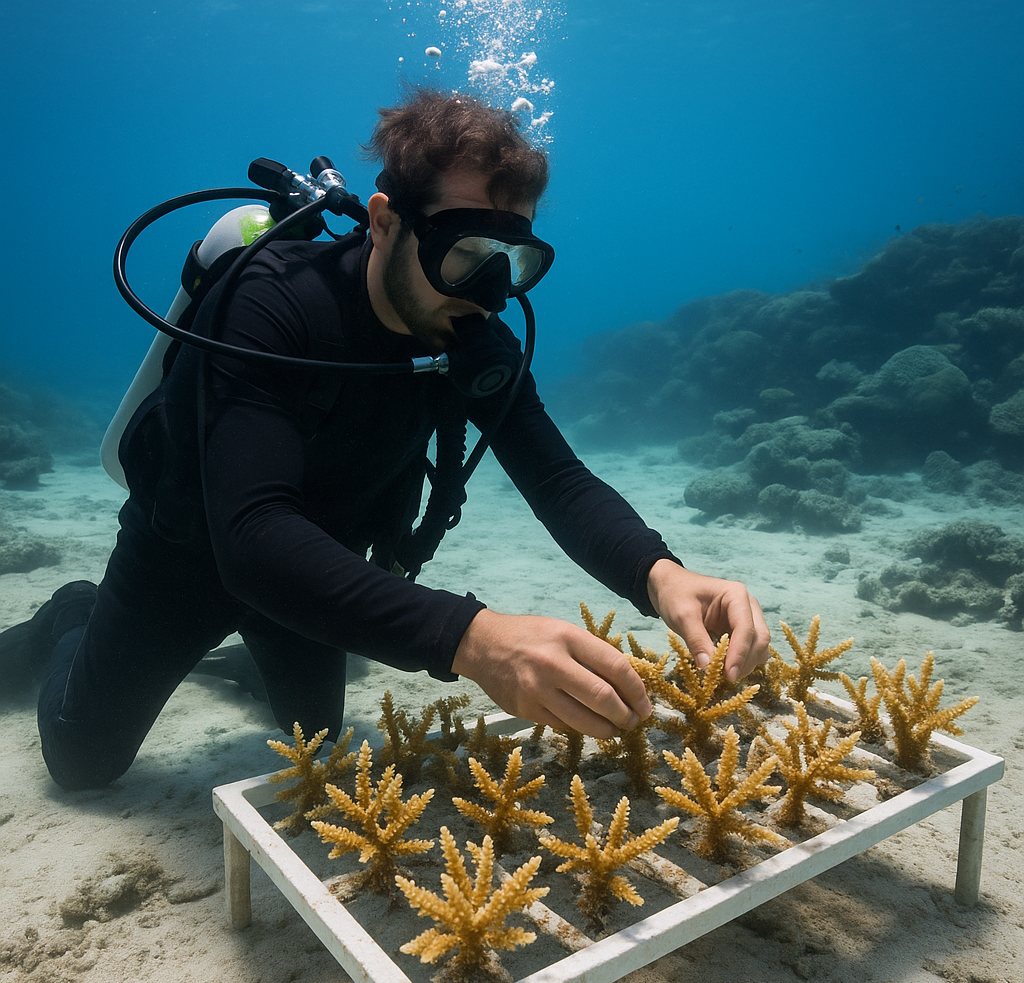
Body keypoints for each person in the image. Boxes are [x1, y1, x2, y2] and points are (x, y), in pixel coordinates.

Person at [1, 88, 770, 790]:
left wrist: (660, 575)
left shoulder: (470, 337)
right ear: (383, 222)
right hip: (191, 555)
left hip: (319, 566)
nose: (490, 292)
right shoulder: (270, 305)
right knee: (83, 763)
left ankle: (224, 659)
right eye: (464, 254)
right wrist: (473, 639)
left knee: (318, 736)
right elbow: (252, 533)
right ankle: (76, 615)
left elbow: (558, 479)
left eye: (512, 261)